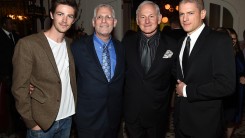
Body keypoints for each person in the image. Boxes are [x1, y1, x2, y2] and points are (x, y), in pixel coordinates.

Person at [11, 0, 78, 137]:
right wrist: (30, 122)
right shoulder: (28, 44)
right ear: (52, 14)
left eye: (69, 16)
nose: (65, 20)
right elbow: (19, 87)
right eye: (60, 14)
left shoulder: (72, 45)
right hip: (42, 123)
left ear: (73, 20)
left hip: (67, 118)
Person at [175, 0, 236, 138]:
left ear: (203, 13)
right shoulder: (181, 42)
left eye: (190, 13)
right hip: (181, 122)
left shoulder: (219, 40)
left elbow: (226, 85)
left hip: (206, 124)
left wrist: (187, 90)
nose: (185, 18)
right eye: (181, 14)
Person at [122, 1, 178, 137]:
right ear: (137, 20)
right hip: (132, 113)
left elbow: (181, 75)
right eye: (142, 17)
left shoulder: (172, 45)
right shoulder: (126, 43)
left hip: (158, 114)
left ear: (159, 19)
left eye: (151, 16)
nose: (147, 21)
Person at [71, 4, 125, 138]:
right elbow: (62, 75)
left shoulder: (122, 48)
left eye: (108, 17)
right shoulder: (77, 48)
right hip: (87, 120)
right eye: (100, 17)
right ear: (93, 22)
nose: (104, 21)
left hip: (113, 118)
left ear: (115, 22)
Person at [0, 16, 20, 134]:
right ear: (3, 24)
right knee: (7, 103)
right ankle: (9, 128)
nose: (12, 25)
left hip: (16, 73)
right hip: (5, 75)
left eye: (12, 23)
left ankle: (17, 126)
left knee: (15, 101)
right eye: (9, 23)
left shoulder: (16, 36)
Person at [223, 28, 245, 138]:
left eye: (235, 38)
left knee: (233, 117)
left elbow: (242, 67)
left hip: (238, 89)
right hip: (226, 87)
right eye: (230, 38)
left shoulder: (238, 52)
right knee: (224, 116)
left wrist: (243, 76)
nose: (233, 41)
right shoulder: (221, 52)